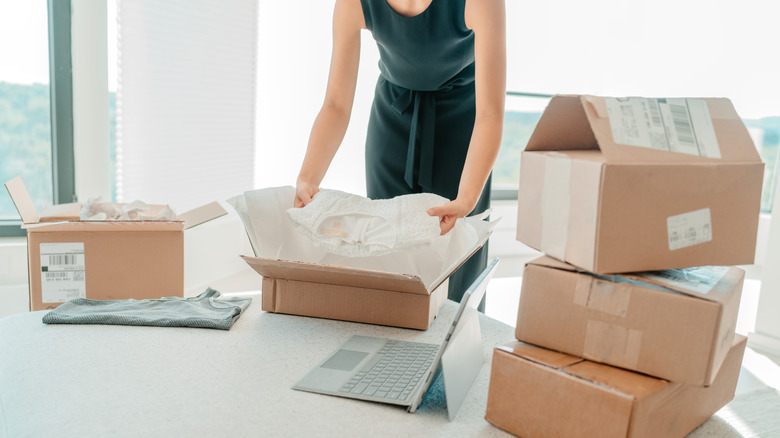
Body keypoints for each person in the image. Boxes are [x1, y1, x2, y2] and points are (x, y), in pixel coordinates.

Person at [294, 0, 506, 309]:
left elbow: (490, 114)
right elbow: (336, 105)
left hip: (463, 132)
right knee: (388, 262)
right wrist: (307, 177)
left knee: (456, 271)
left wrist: (468, 197)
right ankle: (393, 357)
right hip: (391, 127)